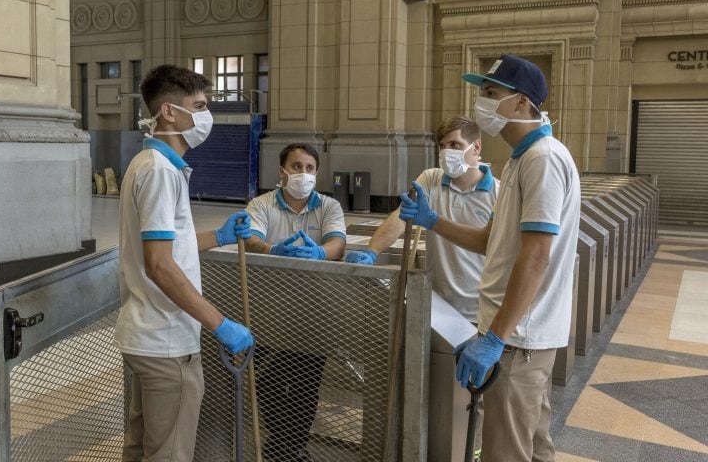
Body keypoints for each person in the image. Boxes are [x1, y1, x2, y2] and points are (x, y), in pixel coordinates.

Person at [400, 55, 580, 462]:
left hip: (518, 338)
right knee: (533, 446)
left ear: (520, 102)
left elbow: (536, 257)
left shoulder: (543, 160)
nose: (481, 101)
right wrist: (433, 221)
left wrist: (496, 338)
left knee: (505, 452)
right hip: (518, 335)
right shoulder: (522, 158)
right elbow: (491, 240)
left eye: (490, 93)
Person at [115, 64, 254, 462]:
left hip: (145, 335)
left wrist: (219, 237)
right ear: (170, 113)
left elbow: (164, 248)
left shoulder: (149, 165)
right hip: (167, 342)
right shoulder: (160, 172)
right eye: (200, 105)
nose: (206, 115)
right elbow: (159, 265)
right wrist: (219, 323)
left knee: (143, 448)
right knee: (169, 454)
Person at [244, 142, 346, 461]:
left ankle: (294, 446)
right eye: (297, 166)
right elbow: (250, 238)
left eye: (309, 168)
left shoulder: (328, 207)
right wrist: (271, 250)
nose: (303, 173)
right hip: (268, 312)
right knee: (268, 382)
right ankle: (280, 439)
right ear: (282, 171)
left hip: (312, 313)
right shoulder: (261, 205)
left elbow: (338, 244)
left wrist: (320, 252)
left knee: (304, 384)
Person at [345, 116, 498, 324]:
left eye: (455, 145)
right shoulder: (431, 178)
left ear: (476, 147)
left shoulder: (498, 193)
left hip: (481, 308)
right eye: (442, 146)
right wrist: (372, 251)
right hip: (438, 303)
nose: (446, 152)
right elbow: (400, 218)